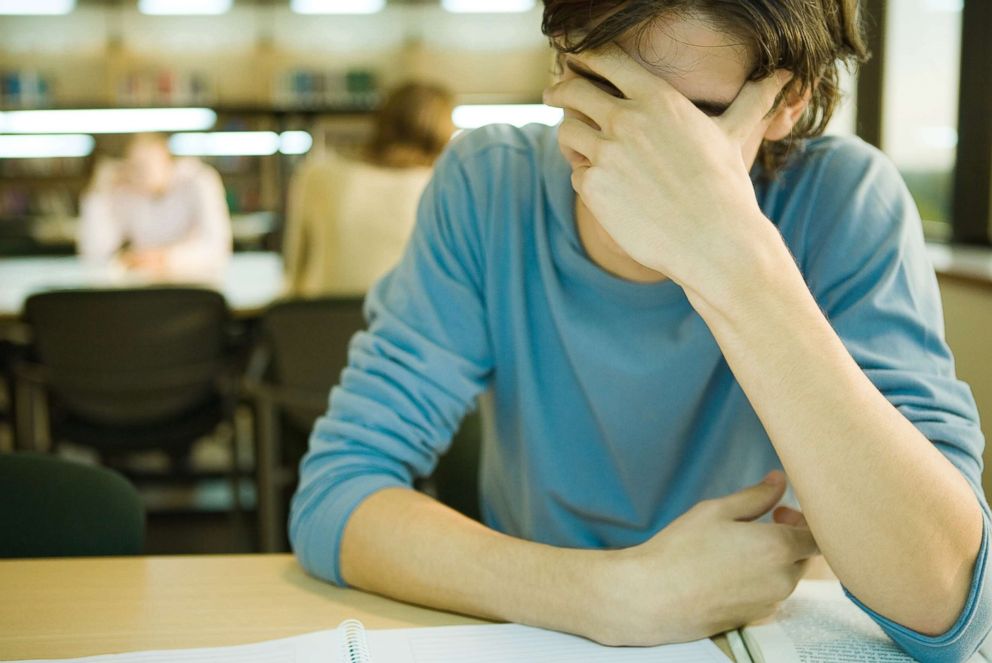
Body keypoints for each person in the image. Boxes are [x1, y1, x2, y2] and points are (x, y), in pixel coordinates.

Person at [289, 2, 992, 661]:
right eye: (602, 90)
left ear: (787, 102)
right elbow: (339, 491)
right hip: (545, 631)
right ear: (561, 64)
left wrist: (736, 262)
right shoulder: (487, 185)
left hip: (754, 634)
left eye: (684, 121)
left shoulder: (844, 201)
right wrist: (609, 593)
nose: (629, 151)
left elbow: (949, 603)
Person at [282, 82, 455, 296]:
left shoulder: (317, 175)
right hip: (406, 325)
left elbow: (294, 268)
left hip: (322, 322)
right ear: (442, 133)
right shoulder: (443, 187)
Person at [78, 133, 232, 278]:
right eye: (133, 166)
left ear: (166, 157)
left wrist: (164, 258)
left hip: (194, 286)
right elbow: (95, 254)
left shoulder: (198, 181)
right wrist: (99, 190)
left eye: (146, 163)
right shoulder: (128, 192)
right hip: (146, 290)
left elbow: (217, 249)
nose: (139, 173)